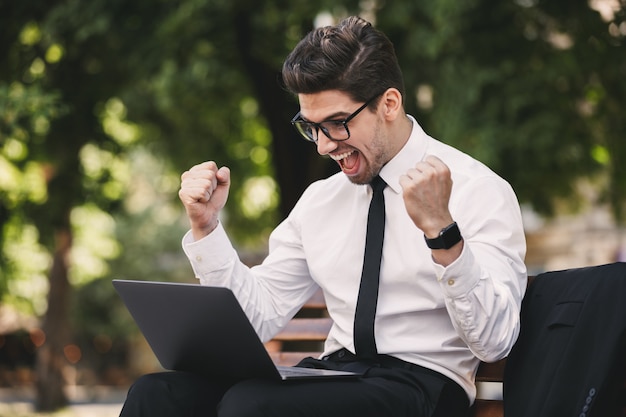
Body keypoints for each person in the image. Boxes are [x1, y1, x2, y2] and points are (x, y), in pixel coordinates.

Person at [119, 15, 526, 417]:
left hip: (423, 386)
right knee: (159, 394)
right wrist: (206, 228)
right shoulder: (321, 200)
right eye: (311, 127)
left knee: (252, 406)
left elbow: (495, 341)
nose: (323, 147)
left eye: (336, 124)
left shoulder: (477, 189)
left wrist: (442, 233)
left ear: (389, 103)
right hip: (335, 376)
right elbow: (259, 315)